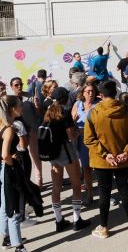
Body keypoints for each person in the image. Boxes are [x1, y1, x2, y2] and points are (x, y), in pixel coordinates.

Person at [84, 80, 128, 239]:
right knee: (124, 189)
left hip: (102, 161)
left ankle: (104, 228)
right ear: (115, 93)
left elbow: (89, 139)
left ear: (100, 95)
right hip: (123, 159)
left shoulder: (94, 113)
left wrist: (105, 154)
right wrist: (126, 152)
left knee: (104, 193)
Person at [43, 87, 90, 232]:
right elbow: (71, 135)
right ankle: (77, 220)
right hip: (66, 151)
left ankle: (59, 220)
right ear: (65, 98)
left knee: (56, 187)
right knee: (76, 185)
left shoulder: (48, 111)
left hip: (53, 153)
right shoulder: (64, 111)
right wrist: (78, 130)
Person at [0, 110, 28, 252]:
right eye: (18, 105)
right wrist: (12, 161)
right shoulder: (8, 128)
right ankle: (18, 246)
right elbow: (5, 155)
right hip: (7, 170)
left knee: (5, 205)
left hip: (2, 169)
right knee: (13, 207)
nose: (21, 107)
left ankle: (7, 238)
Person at [5, 96, 35, 227]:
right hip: (20, 157)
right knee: (22, 187)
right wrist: (25, 136)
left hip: (11, 159)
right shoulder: (17, 125)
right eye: (20, 105)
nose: (22, 108)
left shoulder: (5, 123)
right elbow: (23, 145)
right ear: (13, 109)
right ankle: (21, 217)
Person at [71, 83, 99, 205]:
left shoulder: (99, 105)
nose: (91, 94)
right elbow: (71, 124)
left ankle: (105, 194)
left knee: (99, 168)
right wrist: (74, 121)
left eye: (92, 91)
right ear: (83, 93)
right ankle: (90, 195)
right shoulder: (77, 104)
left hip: (96, 140)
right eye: (88, 91)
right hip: (82, 141)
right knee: (86, 168)